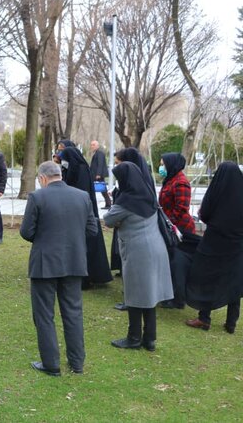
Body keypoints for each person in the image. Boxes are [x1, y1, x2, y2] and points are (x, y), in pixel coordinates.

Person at [20, 161, 97, 376]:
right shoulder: (82, 196)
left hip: (45, 263)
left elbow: (26, 232)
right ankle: (77, 362)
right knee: (73, 313)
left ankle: (51, 364)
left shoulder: (37, 197)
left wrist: (45, 239)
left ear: (43, 178)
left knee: (44, 314)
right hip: (74, 261)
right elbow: (92, 229)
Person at [104, 162, 173, 352]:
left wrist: (120, 221)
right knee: (149, 294)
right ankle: (149, 338)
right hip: (156, 246)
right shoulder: (148, 194)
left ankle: (134, 338)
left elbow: (108, 220)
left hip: (138, 250)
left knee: (134, 294)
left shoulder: (127, 200)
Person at [185, 162, 243, 333]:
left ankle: (204, 318)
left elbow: (205, 214)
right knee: (234, 280)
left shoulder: (217, 191)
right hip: (238, 244)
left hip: (214, 242)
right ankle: (231, 322)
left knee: (207, 277)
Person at [58, 147, 113, 287]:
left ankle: (86, 279)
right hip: (75, 214)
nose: (63, 162)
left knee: (84, 247)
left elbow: (81, 194)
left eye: (64, 159)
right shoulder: (73, 168)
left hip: (82, 215)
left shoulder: (81, 169)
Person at [111, 147, 156, 311]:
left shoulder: (135, 185)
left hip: (134, 233)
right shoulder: (140, 179)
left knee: (134, 267)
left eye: (118, 163)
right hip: (135, 231)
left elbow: (111, 218)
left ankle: (133, 301)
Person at [157, 152, 196, 309]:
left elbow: (181, 208)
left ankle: (178, 299)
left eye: (163, 164)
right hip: (171, 228)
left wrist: (168, 223)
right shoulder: (171, 179)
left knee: (177, 264)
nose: (161, 167)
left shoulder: (181, 183)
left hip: (181, 230)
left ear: (171, 164)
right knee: (171, 263)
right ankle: (171, 294)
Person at [89, 140, 112, 209]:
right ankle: (108, 204)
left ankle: (108, 204)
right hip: (95, 175)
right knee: (103, 190)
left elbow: (100, 164)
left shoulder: (100, 153)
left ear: (97, 146)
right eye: (91, 145)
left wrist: (98, 174)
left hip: (98, 175)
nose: (92, 146)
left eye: (93, 145)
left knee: (103, 190)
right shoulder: (97, 153)